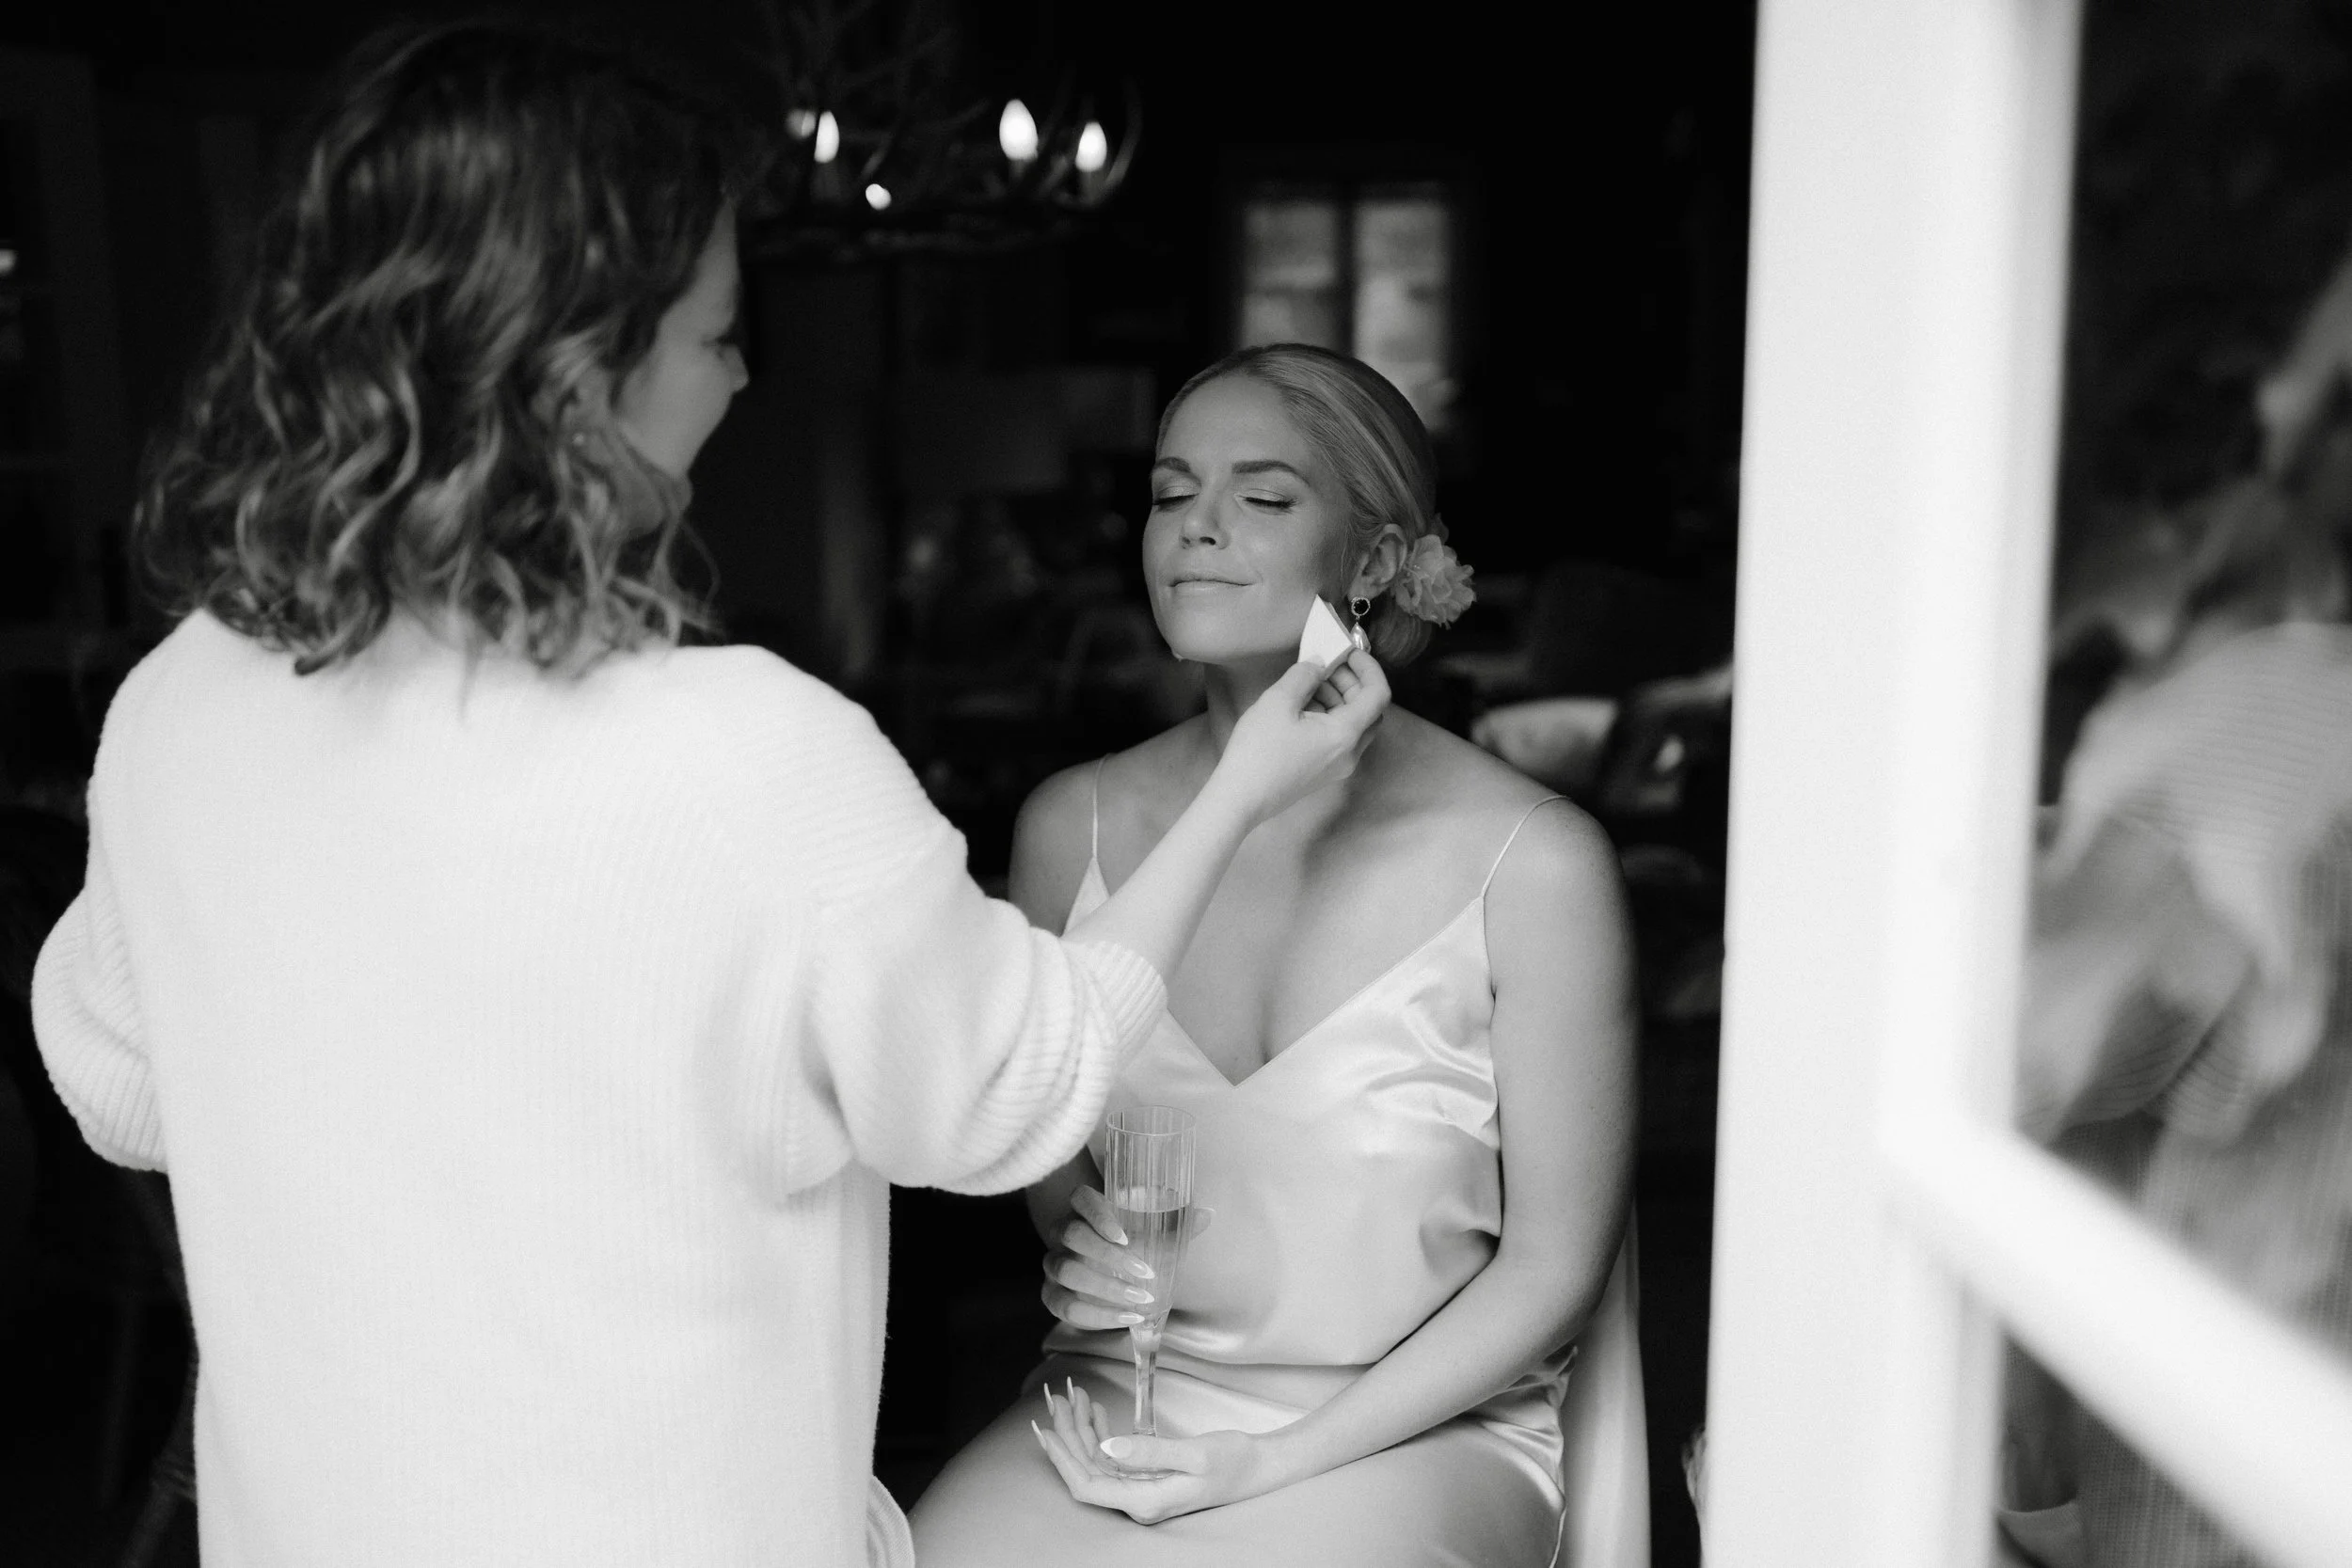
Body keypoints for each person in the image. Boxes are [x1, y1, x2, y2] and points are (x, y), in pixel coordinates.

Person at [28, 26, 1385, 1568]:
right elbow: (1005, 1095)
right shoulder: (754, 757)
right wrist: (1245, 787)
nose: (743, 376)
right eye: (719, 333)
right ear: (578, 372)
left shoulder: (180, 705)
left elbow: (122, 1088)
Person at [908, 344, 1645, 1567]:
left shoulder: (1537, 862)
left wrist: (1273, 1463)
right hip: (1125, 1409)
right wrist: (1080, 1250)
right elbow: (1055, 1187)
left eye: (1258, 497)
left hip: (1416, 1431)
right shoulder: (1065, 830)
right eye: (1167, 491)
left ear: (1370, 562)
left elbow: (1557, 1267)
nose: (1194, 529)